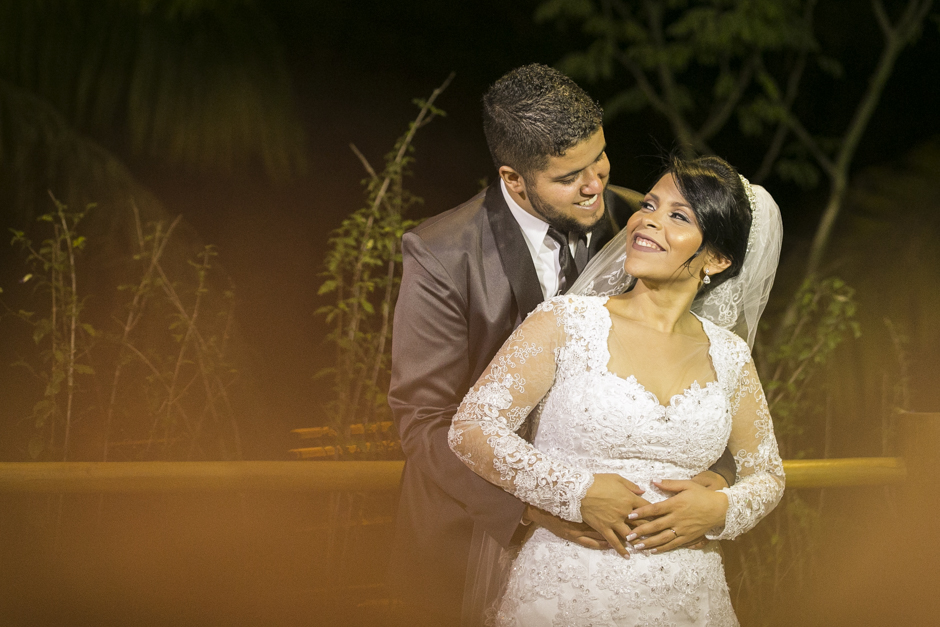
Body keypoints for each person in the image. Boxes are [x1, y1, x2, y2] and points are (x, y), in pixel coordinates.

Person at [388, 64, 736, 625]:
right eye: (569, 176)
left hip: (629, 556)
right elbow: (424, 418)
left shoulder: (645, 224)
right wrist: (540, 504)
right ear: (514, 178)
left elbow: (710, 367)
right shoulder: (441, 253)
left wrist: (715, 482)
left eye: (598, 158)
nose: (595, 183)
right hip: (473, 534)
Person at [448, 154, 785, 625]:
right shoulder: (566, 321)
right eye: (649, 204)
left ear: (718, 258)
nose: (647, 220)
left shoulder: (729, 356)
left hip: (689, 595)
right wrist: (577, 490)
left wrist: (719, 508)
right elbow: (472, 428)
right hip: (567, 587)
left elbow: (767, 474)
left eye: (678, 216)